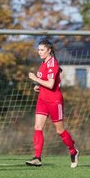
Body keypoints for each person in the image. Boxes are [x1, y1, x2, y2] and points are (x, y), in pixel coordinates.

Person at [26, 38, 79, 168]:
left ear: (49, 50)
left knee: (59, 130)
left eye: (42, 50)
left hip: (54, 101)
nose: (39, 52)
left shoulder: (52, 64)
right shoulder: (43, 63)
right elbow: (47, 83)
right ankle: (37, 158)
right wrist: (38, 86)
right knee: (38, 127)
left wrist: (35, 78)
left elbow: (50, 85)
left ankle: (73, 151)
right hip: (42, 100)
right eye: (38, 50)